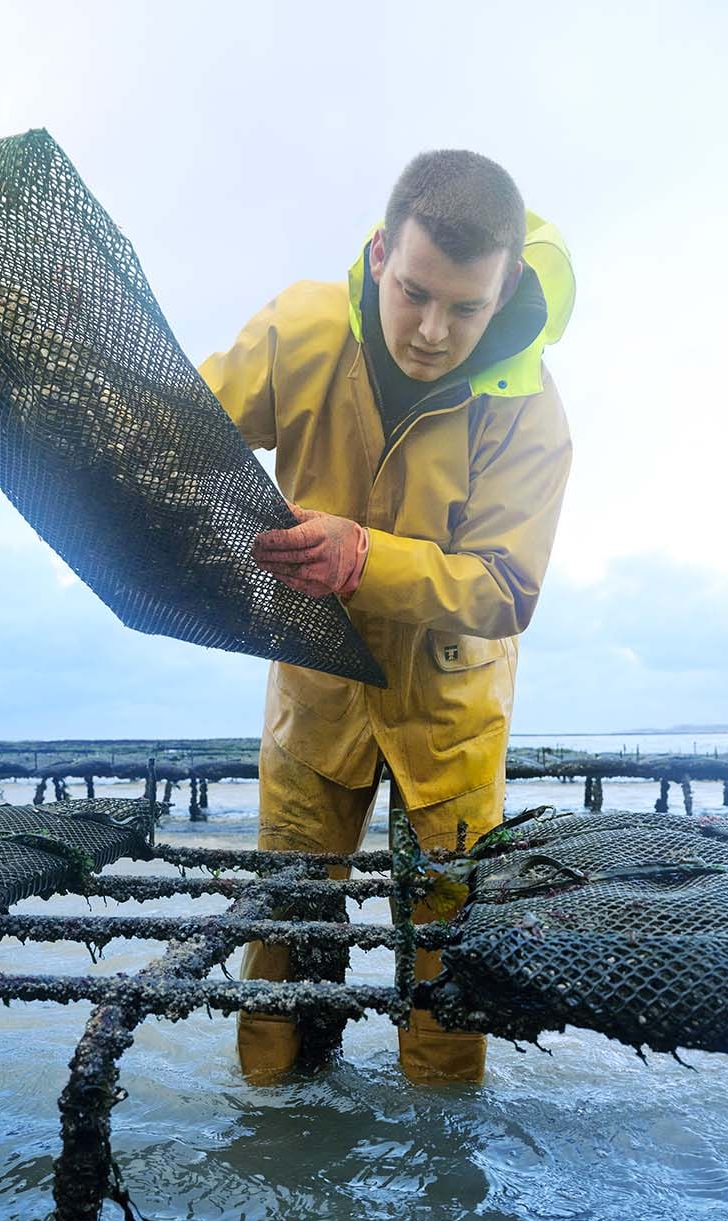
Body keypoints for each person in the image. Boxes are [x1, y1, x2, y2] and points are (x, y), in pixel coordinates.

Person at [199, 149, 575, 1084]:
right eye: (414, 292)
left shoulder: (531, 411)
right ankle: (279, 1140)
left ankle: (443, 1171)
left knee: (447, 965)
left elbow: (505, 591)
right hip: (314, 690)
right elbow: (190, 433)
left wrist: (362, 556)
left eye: (466, 307)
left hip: (449, 719)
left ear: (508, 288)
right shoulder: (303, 328)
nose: (434, 330)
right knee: (284, 939)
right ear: (378, 254)